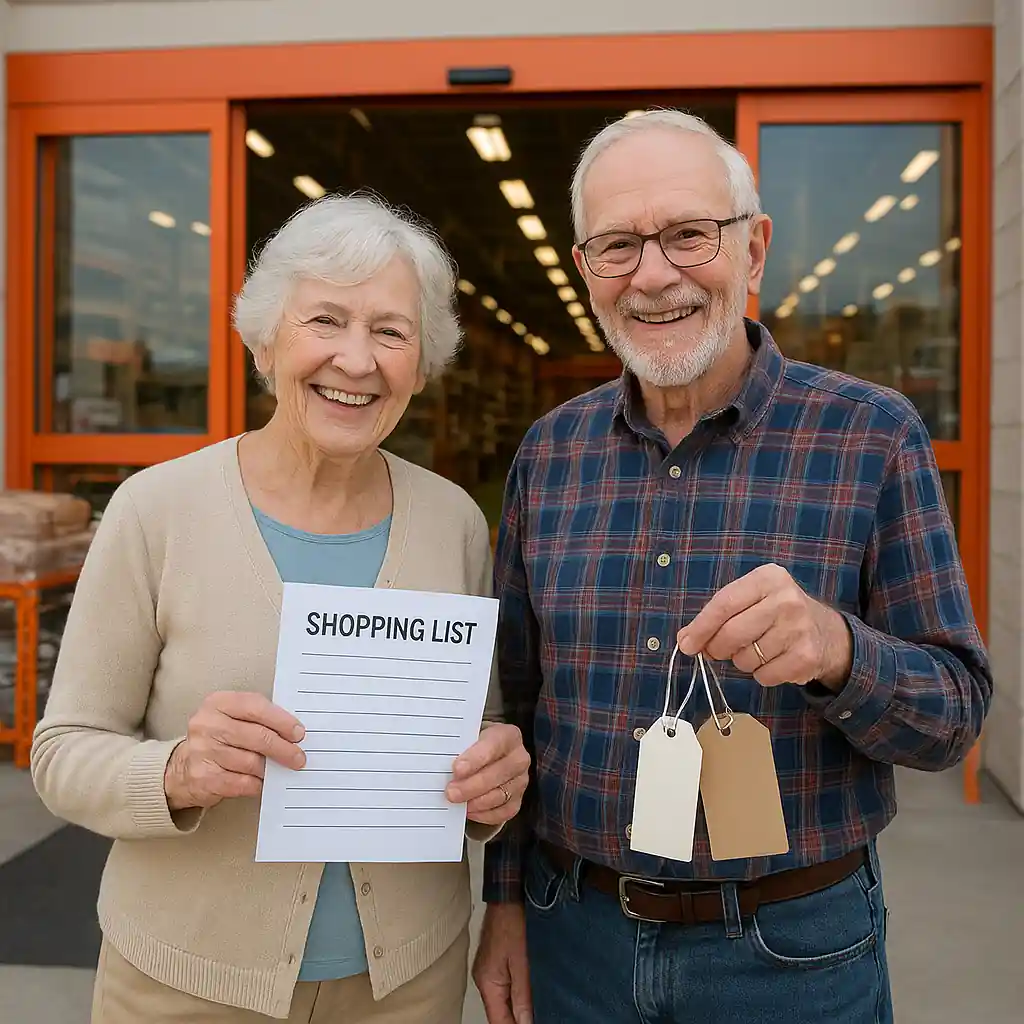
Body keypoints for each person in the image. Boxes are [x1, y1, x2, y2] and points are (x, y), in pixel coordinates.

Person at [473, 109, 992, 1024]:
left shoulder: (871, 436)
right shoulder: (549, 454)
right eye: (618, 245)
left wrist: (839, 650)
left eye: (686, 235)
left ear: (752, 250)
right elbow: (515, 705)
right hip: (573, 935)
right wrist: (504, 902)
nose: (655, 273)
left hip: (792, 955)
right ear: (586, 268)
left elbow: (953, 717)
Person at [31, 192, 530, 1024]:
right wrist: (176, 772)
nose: (357, 360)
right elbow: (62, 752)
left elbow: (475, 733)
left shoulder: (454, 525)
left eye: (391, 332)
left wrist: (493, 779)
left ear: (422, 360)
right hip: (184, 986)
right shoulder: (157, 511)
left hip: (405, 986)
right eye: (326, 321)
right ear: (267, 339)